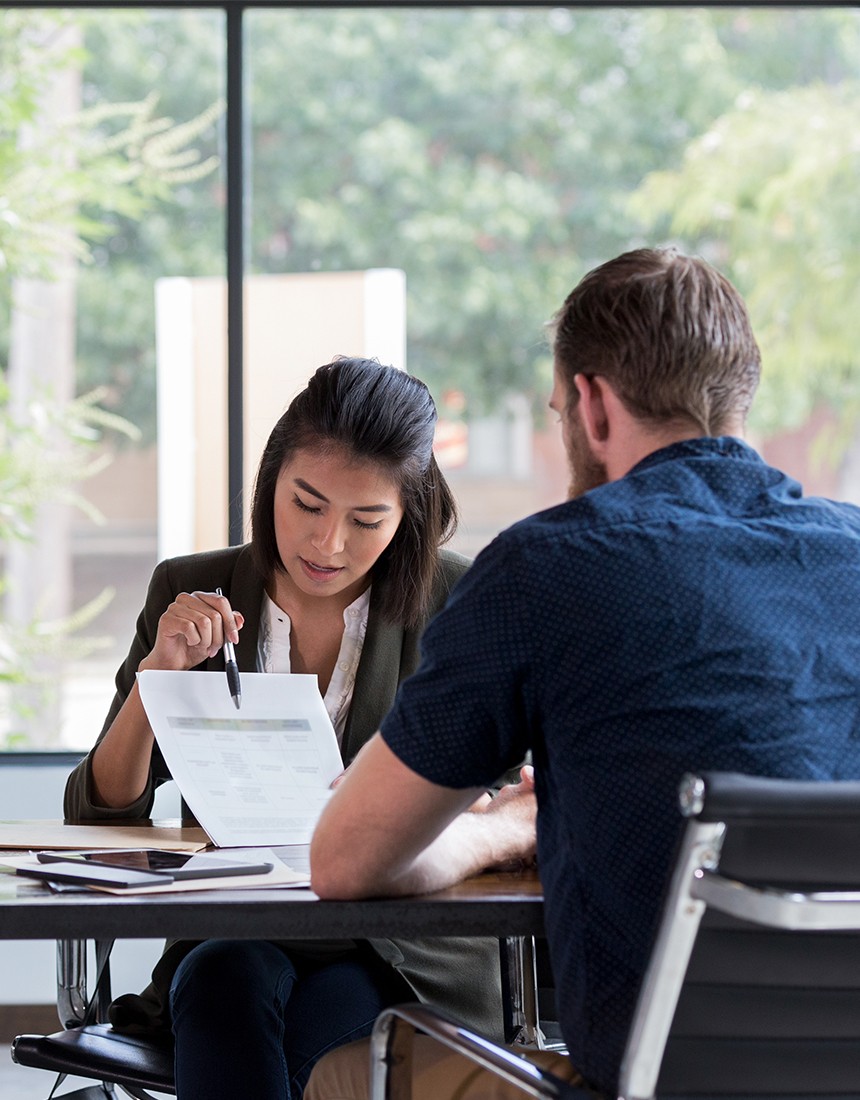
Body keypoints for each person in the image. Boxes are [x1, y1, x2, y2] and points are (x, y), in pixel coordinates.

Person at [305, 248, 860, 1100]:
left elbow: (345, 861)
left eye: (561, 409)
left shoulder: (547, 570)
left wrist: (506, 829)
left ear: (594, 405)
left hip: (639, 1086)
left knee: (341, 1074)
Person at [64, 356, 527, 1100]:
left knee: (311, 1022)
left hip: (394, 944)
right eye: (306, 505)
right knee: (220, 979)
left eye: (365, 520)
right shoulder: (190, 588)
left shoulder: (457, 599)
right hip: (240, 926)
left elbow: (505, 801)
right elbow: (101, 814)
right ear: (270, 482)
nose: (327, 543)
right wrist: (157, 680)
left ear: (407, 516)